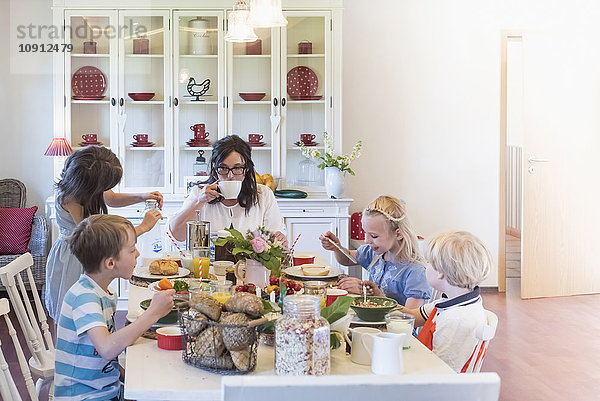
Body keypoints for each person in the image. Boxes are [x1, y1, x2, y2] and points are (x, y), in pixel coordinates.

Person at [53, 214, 174, 400]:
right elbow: (107, 348)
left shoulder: (102, 291)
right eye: (132, 250)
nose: (138, 254)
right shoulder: (84, 297)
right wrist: (153, 314)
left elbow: (109, 350)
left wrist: (130, 377)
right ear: (110, 263)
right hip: (84, 396)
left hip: (106, 389)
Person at [45, 146, 164, 320]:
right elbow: (96, 239)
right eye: (105, 186)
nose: (107, 190)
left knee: (92, 308)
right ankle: (74, 344)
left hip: (85, 255)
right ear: (90, 185)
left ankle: (96, 339)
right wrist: (143, 227)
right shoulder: (70, 198)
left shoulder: (83, 185)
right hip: (73, 259)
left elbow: (111, 198)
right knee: (75, 312)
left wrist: (142, 196)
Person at [169, 135, 287, 247]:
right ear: (215, 168)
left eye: (237, 168)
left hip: (250, 266)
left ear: (246, 169)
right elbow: (177, 234)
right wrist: (198, 202)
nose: (230, 175)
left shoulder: (263, 194)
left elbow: (275, 240)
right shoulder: (199, 193)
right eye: (223, 168)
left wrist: (279, 240)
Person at [398, 231, 492, 372]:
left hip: (432, 382)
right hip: (425, 368)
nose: (425, 265)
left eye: (429, 262)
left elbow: (440, 373)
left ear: (441, 272)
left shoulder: (456, 320)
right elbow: (413, 317)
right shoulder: (455, 301)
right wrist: (380, 302)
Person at [320, 195, 431, 308]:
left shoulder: (415, 271)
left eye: (374, 236)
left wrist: (378, 296)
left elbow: (412, 317)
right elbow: (347, 259)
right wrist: (337, 248)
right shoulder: (375, 253)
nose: (367, 240)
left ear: (398, 234)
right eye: (365, 233)